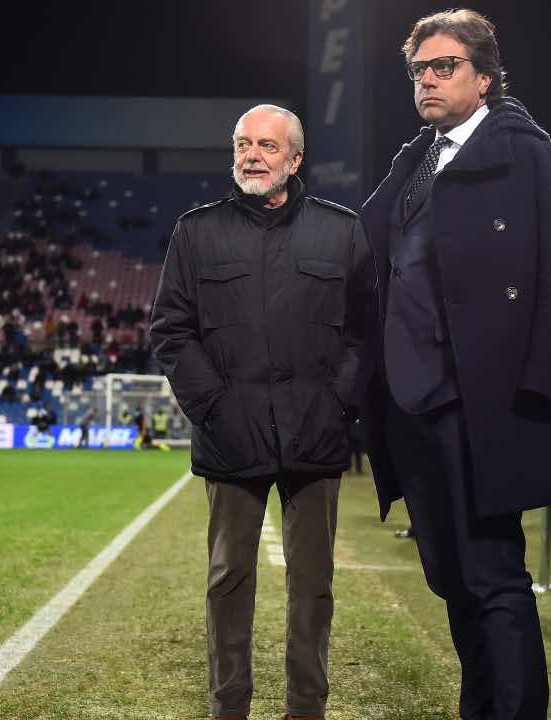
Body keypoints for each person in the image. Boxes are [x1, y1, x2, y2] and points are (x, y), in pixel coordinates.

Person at [359, 9, 551, 720]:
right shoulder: (415, 162)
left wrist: (528, 390)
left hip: (482, 402)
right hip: (412, 403)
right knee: (452, 581)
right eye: (417, 71)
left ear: (485, 78)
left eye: (443, 67)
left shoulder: (532, 157)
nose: (426, 81)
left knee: (495, 577)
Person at [151, 103, 374, 720]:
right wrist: (214, 409)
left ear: (295, 159)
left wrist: (337, 406)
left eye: (267, 146)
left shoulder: (343, 231)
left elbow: (365, 334)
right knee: (228, 582)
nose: (252, 155)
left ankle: (306, 706)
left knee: (313, 588)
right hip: (231, 438)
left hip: (315, 436)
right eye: (243, 144)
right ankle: (230, 706)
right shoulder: (196, 232)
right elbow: (171, 329)